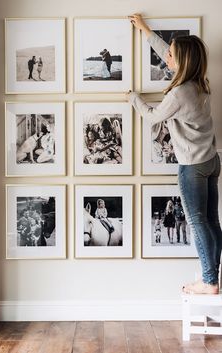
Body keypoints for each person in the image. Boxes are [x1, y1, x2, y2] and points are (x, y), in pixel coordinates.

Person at [128, 14, 222, 294]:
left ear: (181, 61)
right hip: (211, 161)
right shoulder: (198, 82)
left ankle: (209, 282)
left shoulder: (179, 93)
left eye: (171, 55)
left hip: (192, 166)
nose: (166, 58)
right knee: (211, 220)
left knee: (196, 222)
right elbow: (166, 52)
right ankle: (213, 276)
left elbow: (152, 116)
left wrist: (132, 97)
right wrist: (145, 30)